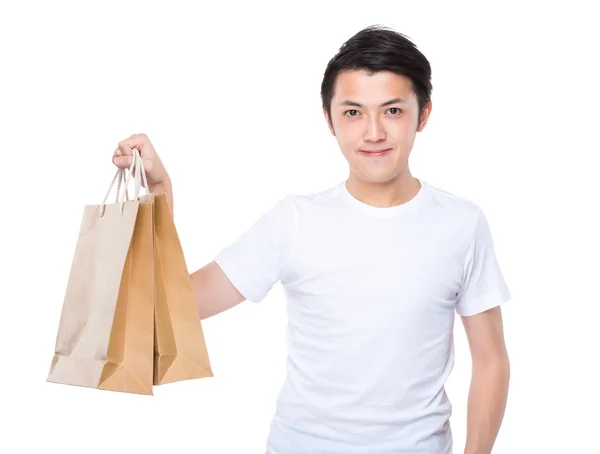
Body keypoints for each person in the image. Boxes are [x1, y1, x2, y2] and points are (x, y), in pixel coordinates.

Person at [112, 25, 512, 454]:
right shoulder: (295, 221)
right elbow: (170, 310)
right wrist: (159, 193)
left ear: (424, 114)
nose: (373, 132)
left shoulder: (461, 224)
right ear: (330, 120)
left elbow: (490, 361)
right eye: (353, 112)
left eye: (392, 111)